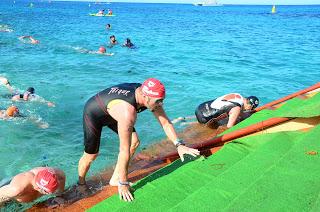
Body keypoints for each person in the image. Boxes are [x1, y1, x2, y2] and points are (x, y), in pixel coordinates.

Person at [78, 78, 200, 202]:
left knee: (134, 142)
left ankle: (115, 179)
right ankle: (81, 184)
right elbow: (123, 150)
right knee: (91, 155)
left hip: (114, 110)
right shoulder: (128, 113)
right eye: (158, 101)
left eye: (162, 100)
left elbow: (165, 123)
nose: (160, 104)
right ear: (145, 96)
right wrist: (124, 182)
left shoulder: (149, 97)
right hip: (94, 113)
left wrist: (179, 145)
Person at [0, 167, 65, 206]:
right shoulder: (17, 189)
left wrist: (59, 196)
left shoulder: (56, 174)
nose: (50, 194)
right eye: (47, 192)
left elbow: (62, 176)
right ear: (38, 187)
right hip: (7, 190)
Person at [195, 94, 259, 128]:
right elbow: (229, 127)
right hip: (203, 117)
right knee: (221, 124)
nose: (250, 110)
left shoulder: (238, 96)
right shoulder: (237, 108)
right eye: (251, 108)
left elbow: (239, 111)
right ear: (250, 106)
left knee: (224, 113)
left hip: (200, 107)